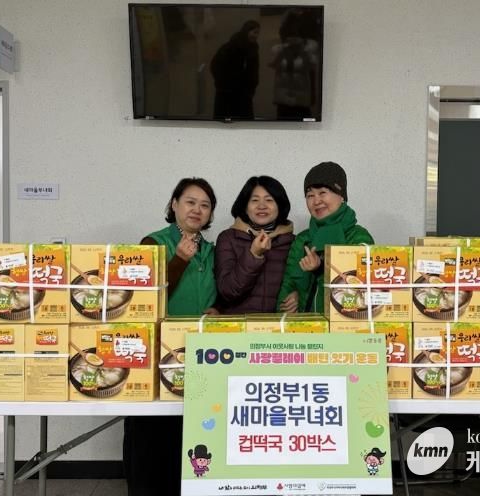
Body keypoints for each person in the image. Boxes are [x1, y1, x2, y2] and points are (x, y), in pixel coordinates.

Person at [123, 177, 218, 496]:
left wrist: (218, 308)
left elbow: (220, 291)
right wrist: (179, 260)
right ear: (174, 204)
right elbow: (141, 297)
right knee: (152, 430)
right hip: (158, 351)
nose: (197, 210)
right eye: (190, 202)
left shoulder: (211, 250)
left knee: (190, 428)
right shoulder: (153, 243)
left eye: (205, 205)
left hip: (200, 352)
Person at [277, 162, 374, 313]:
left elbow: (361, 290)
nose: (316, 201)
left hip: (347, 323)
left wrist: (321, 268)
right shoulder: (303, 239)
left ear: (341, 196)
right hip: (308, 326)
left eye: (322, 192)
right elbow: (288, 287)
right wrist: (294, 299)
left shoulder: (359, 237)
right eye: (310, 195)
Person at [214, 176, 294, 313]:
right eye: (255, 200)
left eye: (269, 200)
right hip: (238, 324)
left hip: (279, 325)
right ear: (245, 206)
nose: (261, 206)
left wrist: (298, 296)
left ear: (280, 206)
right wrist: (254, 254)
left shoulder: (293, 242)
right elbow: (227, 291)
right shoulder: (228, 238)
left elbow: (303, 284)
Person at [210, 20, 260, 120]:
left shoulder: (253, 50)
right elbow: (215, 65)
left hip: (244, 95)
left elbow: (253, 72)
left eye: (258, 33)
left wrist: (250, 88)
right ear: (246, 31)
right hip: (227, 94)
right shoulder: (230, 47)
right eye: (254, 32)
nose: (256, 36)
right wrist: (224, 84)